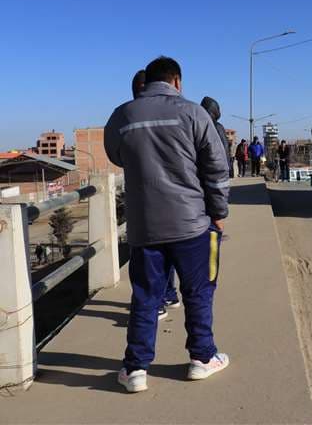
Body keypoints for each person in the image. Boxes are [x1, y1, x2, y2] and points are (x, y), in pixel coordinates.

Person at [105, 56, 230, 393]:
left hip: (144, 227)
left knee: (146, 296)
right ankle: (202, 358)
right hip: (192, 224)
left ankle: (134, 369)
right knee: (199, 291)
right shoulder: (194, 113)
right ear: (177, 81)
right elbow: (216, 170)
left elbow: (117, 155)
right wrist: (218, 212)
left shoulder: (122, 116)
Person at [131, 69, 177, 322]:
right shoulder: (185, 112)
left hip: (158, 207)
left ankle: (160, 300)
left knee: (150, 272)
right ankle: (167, 295)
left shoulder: (125, 115)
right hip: (171, 208)